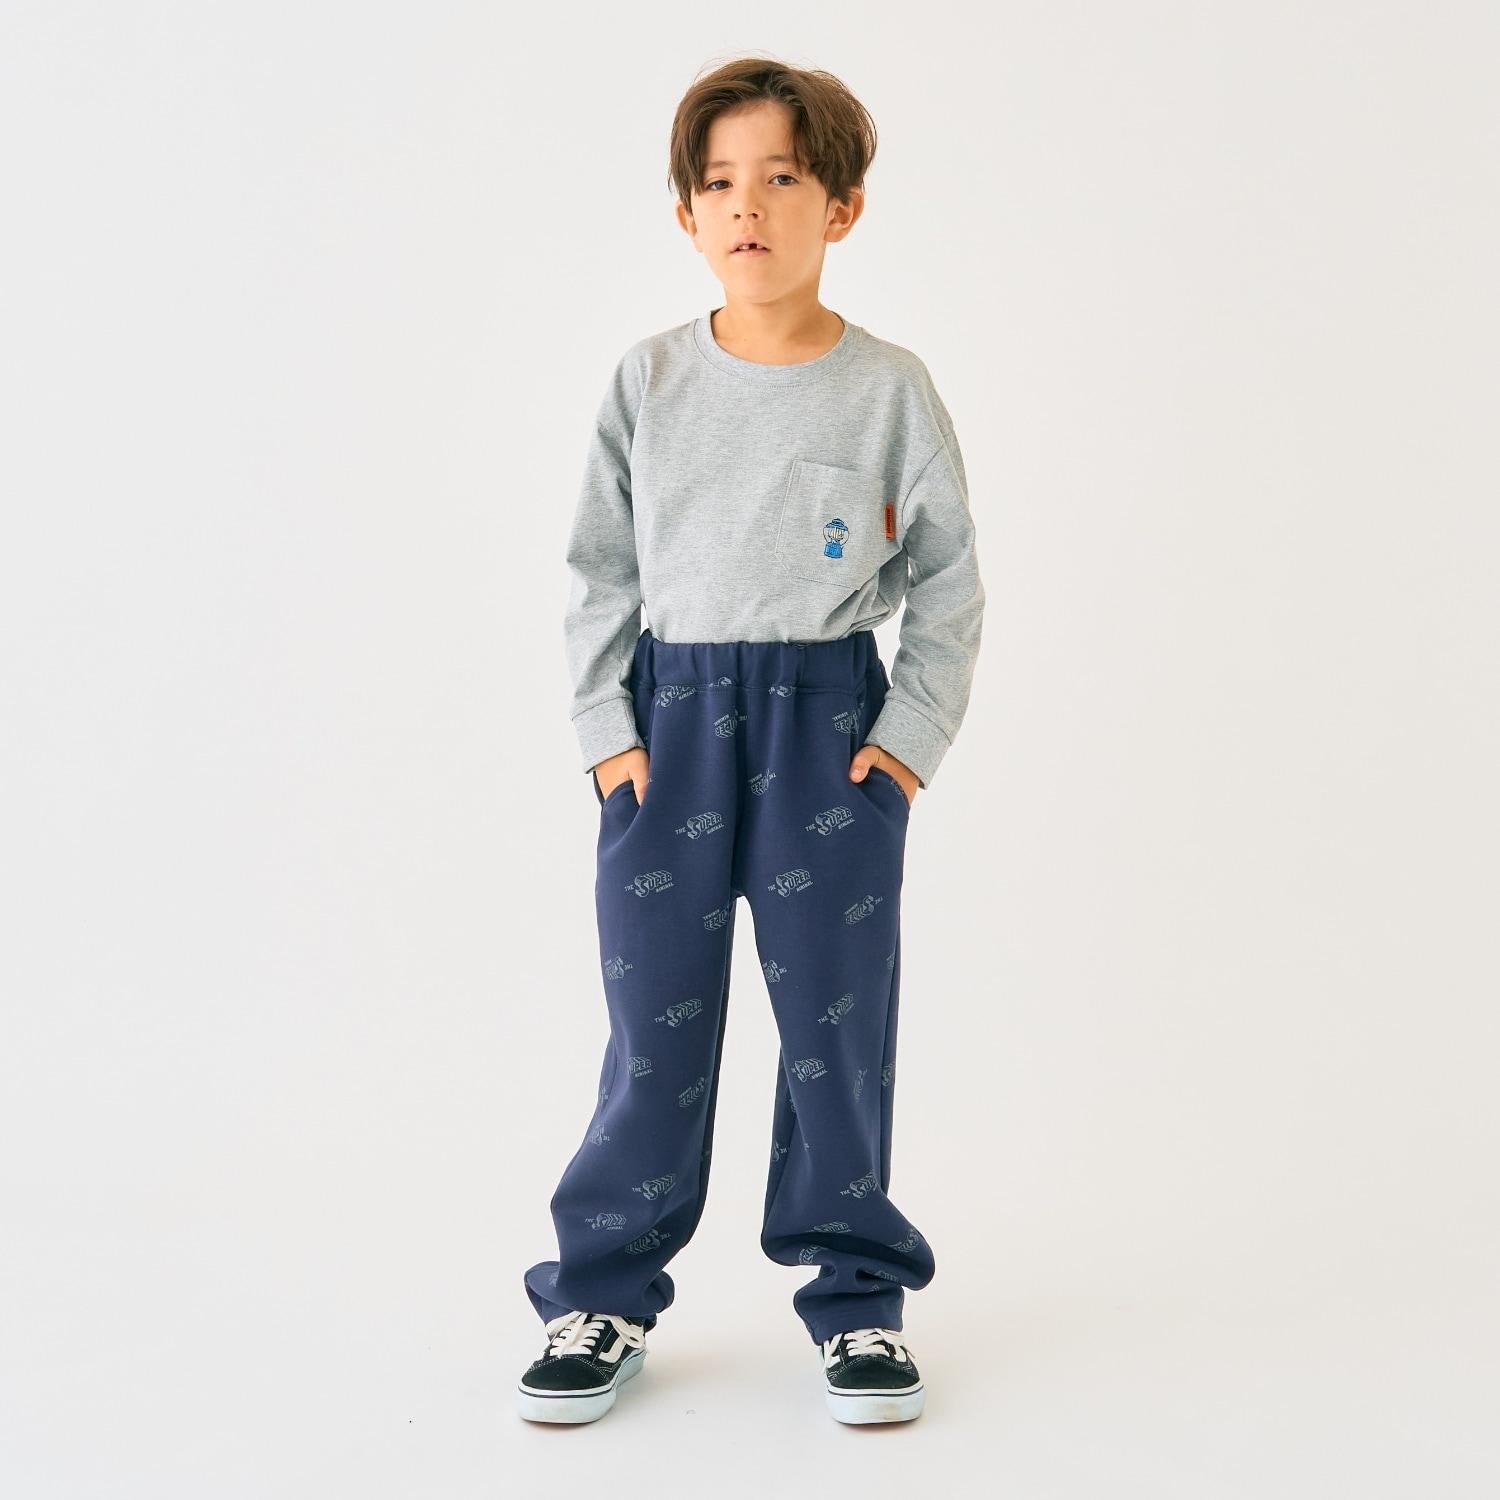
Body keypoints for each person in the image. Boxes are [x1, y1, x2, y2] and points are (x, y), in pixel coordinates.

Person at [517, 57, 985, 1427]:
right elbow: (598, 569)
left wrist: (906, 742)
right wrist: (609, 735)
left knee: (838, 1026)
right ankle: (602, 1288)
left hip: (827, 730)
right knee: (652, 1031)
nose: (748, 206)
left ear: (840, 207)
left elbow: (950, 584)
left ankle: (859, 1298)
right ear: (686, 213)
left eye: (782, 177)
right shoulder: (650, 379)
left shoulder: (888, 390)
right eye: (719, 182)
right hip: (667, 730)